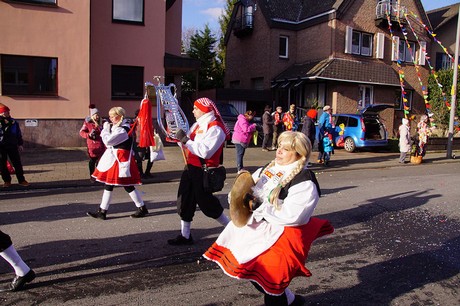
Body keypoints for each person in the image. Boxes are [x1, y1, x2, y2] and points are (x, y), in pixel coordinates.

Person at [204, 131, 334, 306]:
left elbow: (294, 215)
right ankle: (291, 299)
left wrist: (258, 207)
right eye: (279, 146)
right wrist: (239, 193)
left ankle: (284, 298)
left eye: (286, 149)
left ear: (299, 154)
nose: (279, 151)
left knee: (270, 284)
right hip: (258, 230)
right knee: (254, 276)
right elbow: (243, 194)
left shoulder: (305, 180)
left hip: (281, 235)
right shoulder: (269, 167)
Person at [169, 97, 231, 245]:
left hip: (203, 170)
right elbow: (187, 145)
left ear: (204, 110)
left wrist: (185, 140)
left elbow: (205, 152)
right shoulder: (197, 125)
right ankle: (185, 235)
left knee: (207, 204)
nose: (193, 111)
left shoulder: (215, 128)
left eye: (195, 108)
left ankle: (232, 229)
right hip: (190, 167)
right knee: (184, 201)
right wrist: (177, 137)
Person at [86, 106, 148, 220]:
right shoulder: (119, 127)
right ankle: (103, 211)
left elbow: (108, 141)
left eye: (112, 116)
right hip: (116, 159)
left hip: (120, 160)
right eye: (110, 116)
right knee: (113, 185)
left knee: (125, 185)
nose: (110, 119)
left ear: (119, 116)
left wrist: (105, 129)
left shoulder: (123, 129)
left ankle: (141, 208)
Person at [0, 103, 29, 188]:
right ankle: (7, 181)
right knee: (2, 164)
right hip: (1, 146)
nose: (8, 112)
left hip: (12, 145)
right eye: (6, 111)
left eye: (8, 111)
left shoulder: (13, 122)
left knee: (17, 163)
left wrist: (20, 144)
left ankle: (21, 180)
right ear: (1, 113)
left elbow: (18, 133)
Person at [79, 104, 105, 183]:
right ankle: (92, 176)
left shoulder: (102, 122)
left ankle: (99, 176)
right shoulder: (87, 123)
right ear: (92, 115)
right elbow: (81, 132)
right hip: (92, 146)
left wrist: (100, 127)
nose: (97, 116)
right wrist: (89, 135)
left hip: (101, 145)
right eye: (95, 115)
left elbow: (105, 131)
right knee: (92, 161)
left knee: (100, 162)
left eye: (97, 114)